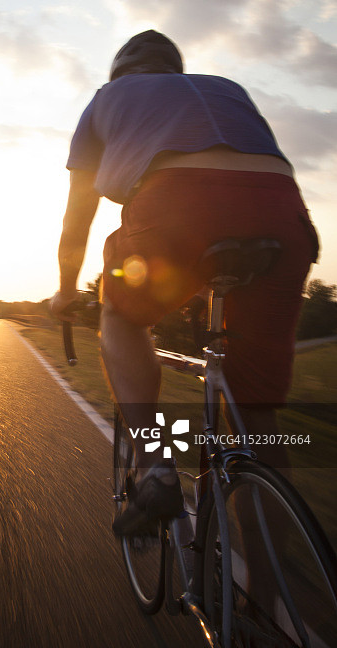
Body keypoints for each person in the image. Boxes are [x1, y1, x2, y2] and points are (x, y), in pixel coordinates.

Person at [50, 30, 318, 536]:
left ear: (119, 72)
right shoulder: (227, 88)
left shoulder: (107, 98)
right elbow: (244, 176)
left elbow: (77, 214)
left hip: (177, 203)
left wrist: (65, 290)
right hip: (282, 212)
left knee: (120, 314)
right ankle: (267, 583)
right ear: (174, 68)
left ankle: (155, 465)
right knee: (256, 417)